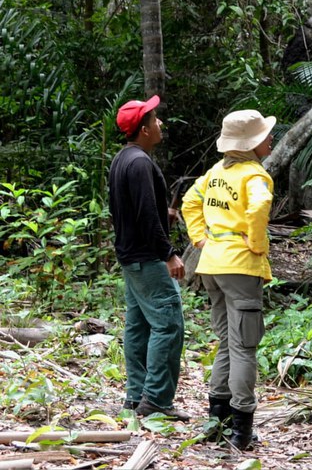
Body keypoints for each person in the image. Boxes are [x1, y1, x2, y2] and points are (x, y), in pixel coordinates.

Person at [181, 109, 275, 450]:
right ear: (252, 143)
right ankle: (241, 430)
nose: (270, 139)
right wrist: (257, 243)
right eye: (265, 135)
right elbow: (259, 207)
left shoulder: (216, 172)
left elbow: (190, 201)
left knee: (226, 341)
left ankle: (217, 419)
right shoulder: (255, 175)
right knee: (245, 346)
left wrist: (199, 237)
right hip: (240, 266)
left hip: (212, 264)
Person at [108, 94, 190, 421]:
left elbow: (128, 209)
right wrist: (168, 254)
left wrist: (163, 212)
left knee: (139, 326)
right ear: (143, 129)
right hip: (146, 257)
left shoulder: (122, 159)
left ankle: (135, 396)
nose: (160, 124)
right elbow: (143, 215)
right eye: (154, 120)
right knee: (169, 323)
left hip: (130, 256)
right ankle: (156, 399)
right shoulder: (141, 163)